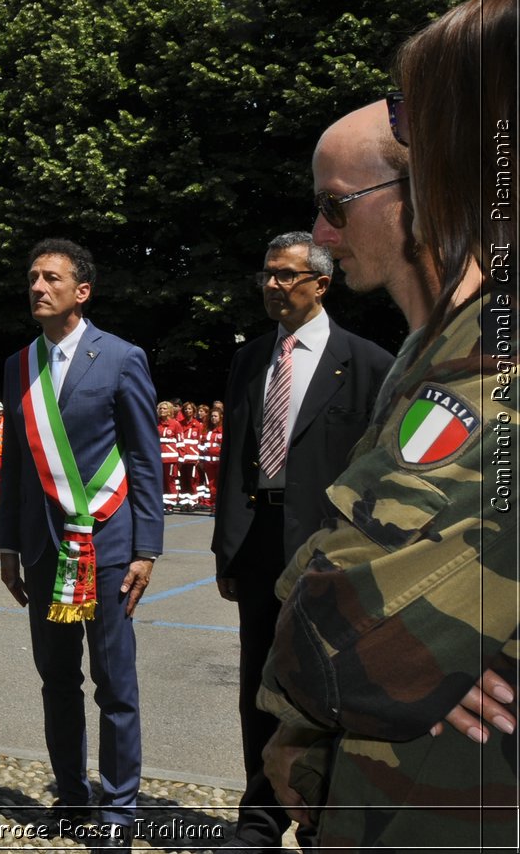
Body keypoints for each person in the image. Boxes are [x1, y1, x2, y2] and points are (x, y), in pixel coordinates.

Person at [260, 0, 518, 849]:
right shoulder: (433, 349)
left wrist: (386, 643)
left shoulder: (494, 355)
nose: (317, 239)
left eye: (421, 113)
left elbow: (354, 640)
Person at [210, 231, 392, 852]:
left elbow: (380, 469)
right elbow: (234, 457)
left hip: (329, 549)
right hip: (259, 542)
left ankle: (323, 825)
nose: (273, 285)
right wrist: (226, 548)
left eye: (287, 275)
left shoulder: (368, 363)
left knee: (327, 688)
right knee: (259, 688)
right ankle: (258, 823)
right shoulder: (250, 358)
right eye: (267, 274)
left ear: (321, 282)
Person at [0, 239, 164, 848]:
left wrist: (148, 548)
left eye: (51, 279)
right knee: (56, 678)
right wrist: (8, 546)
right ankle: (71, 796)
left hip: (110, 544)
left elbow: (146, 458)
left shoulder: (122, 357)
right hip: (43, 549)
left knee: (115, 682)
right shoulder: (18, 365)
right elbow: (16, 463)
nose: (38, 287)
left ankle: (119, 809)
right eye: (33, 277)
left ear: (81, 291)